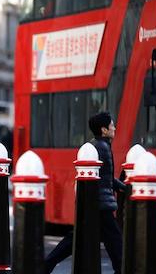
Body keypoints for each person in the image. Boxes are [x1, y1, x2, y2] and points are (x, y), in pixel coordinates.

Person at [45, 112, 125, 274]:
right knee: (114, 241)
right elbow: (106, 178)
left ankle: (46, 265)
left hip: (96, 202)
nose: (114, 128)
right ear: (103, 130)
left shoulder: (98, 145)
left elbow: (106, 177)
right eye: (111, 125)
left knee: (76, 238)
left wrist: (123, 186)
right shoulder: (101, 147)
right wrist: (124, 187)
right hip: (101, 204)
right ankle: (122, 269)